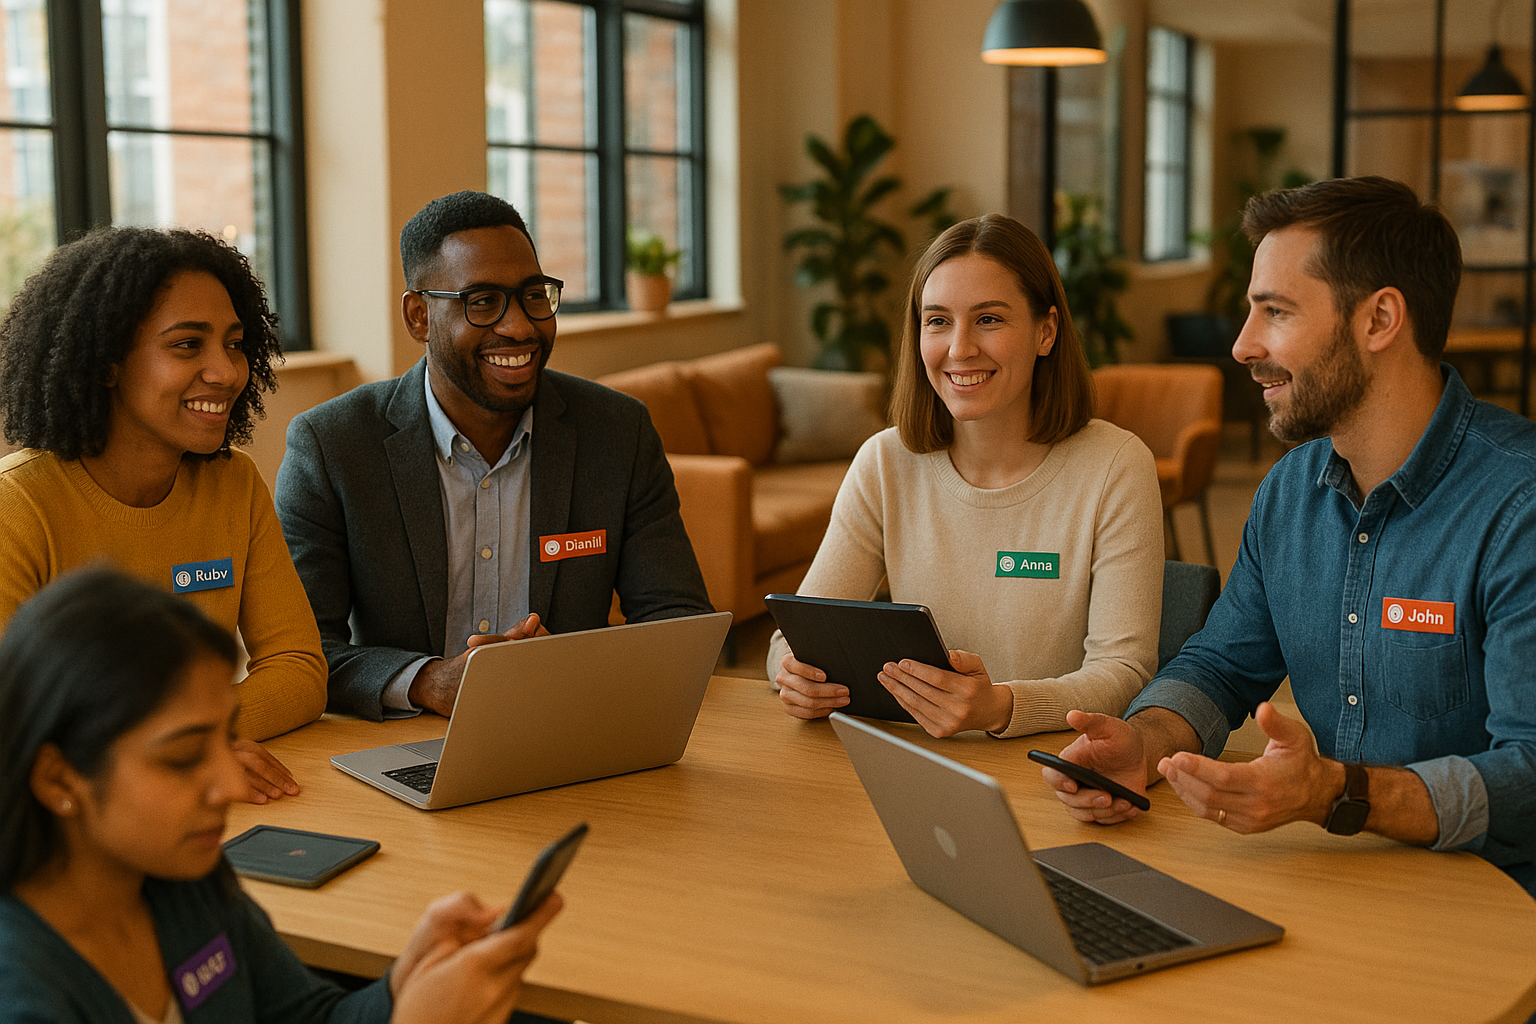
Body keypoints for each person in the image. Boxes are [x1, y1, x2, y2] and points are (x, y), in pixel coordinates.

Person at [1043, 176, 1536, 899]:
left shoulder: (1517, 505)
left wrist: (1338, 793)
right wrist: (1145, 743)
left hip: (1494, 910)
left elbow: (1530, 771)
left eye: (1275, 311)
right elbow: (1219, 667)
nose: (1243, 346)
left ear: (1379, 320)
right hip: (1340, 882)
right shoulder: (1289, 491)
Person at [0, 568, 561, 1024]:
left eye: (228, 738)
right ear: (57, 780)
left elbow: (306, 1016)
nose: (230, 783)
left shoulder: (182, 877)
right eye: (182, 757)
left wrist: (401, 984)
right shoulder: (24, 994)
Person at [275, 191, 712, 721]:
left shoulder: (618, 432)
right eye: (482, 301)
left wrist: (572, 668)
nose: (520, 327)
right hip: (399, 744)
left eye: (534, 296)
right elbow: (299, 653)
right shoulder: (332, 446)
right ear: (419, 316)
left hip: (571, 729)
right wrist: (430, 681)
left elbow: (677, 619)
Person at [769, 214, 1163, 739]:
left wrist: (1003, 707)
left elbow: (1126, 673)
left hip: (1055, 770)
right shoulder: (885, 463)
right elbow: (790, 641)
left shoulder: (1115, 466)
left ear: (1046, 331)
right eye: (937, 321)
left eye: (989, 319)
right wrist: (794, 676)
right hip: (913, 764)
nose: (959, 349)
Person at [0, 226, 327, 803]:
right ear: (105, 363)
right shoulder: (17, 505)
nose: (226, 372)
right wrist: (179, 748)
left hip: (199, 802)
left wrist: (194, 743)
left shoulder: (234, 484)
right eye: (186, 345)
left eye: (233, 342)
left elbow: (299, 669)